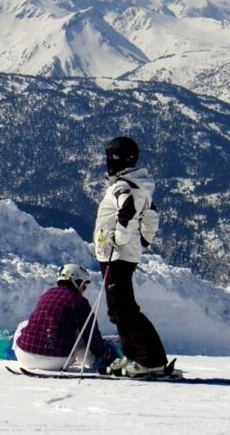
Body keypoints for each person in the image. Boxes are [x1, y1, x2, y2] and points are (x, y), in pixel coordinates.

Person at [94, 136, 168, 377]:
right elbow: (151, 215)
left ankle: (152, 360)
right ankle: (134, 356)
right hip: (119, 255)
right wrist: (144, 240)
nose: (107, 162)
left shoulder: (122, 187)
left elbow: (126, 211)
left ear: (116, 160)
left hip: (117, 255)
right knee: (117, 310)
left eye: (109, 158)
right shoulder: (139, 187)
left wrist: (120, 239)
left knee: (124, 310)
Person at [13, 263, 116, 371]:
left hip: (24, 357)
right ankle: (92, 363)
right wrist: (103, 353)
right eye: (84, 285)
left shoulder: (47, 294)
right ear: (77, 281)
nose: (84, 289)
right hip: (59, 360)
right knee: (81, 334)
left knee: (24, 324)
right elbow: (91, 334)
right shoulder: (80, 301)